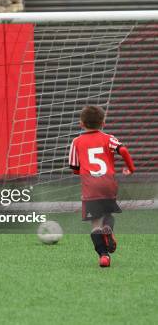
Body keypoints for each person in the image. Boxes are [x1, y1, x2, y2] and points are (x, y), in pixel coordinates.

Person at [68, 105, 135, 268]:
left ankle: (103, 256)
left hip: (90, 188)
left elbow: (74, 168)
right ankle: (108, 228)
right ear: (103, 123)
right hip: (108, 185)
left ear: (81, 123)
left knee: (95, 224)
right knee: (108, 214)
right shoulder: (109, 138)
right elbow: (124, 150)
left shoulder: (76, 142)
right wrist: (130, 168)